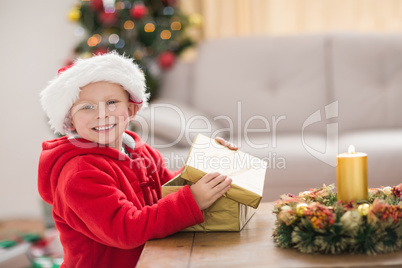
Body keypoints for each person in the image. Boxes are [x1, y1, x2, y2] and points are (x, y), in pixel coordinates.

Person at [38, 52, 237, 267]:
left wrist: (204, 163)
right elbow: (126, 229)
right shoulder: (79, 174)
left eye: (112, 102)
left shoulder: (140, 151)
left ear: (131, 110)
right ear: (70, 122)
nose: (102, 114)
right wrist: (192, 201)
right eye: (87, 107)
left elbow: (167, 187)